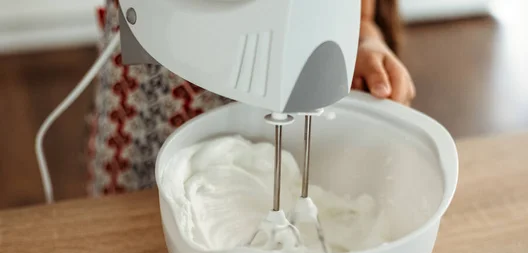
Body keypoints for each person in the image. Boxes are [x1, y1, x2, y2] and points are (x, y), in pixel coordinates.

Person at [86, 0, 415, 196]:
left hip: (283, 122)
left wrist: (364, 43)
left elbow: (360, 17)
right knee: (137, 211)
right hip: (154, 82)